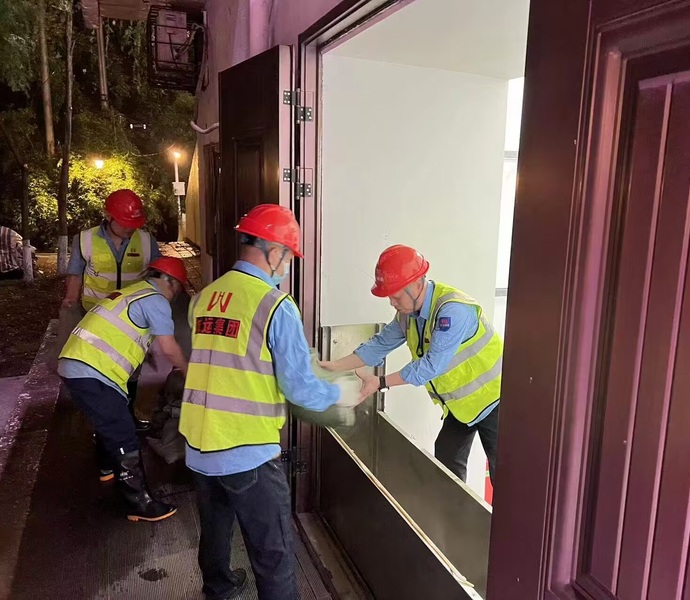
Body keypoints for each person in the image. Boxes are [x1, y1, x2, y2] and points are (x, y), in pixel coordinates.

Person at [179, 204, 360, 600]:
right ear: (274, 251)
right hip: (247, 450)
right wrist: (340, 393)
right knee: (273, 552)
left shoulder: (205, 297)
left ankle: (219, 589)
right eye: (288, 258)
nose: (287, 267)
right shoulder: (275, 305)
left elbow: (225, 361)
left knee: (215, 531)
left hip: (199, 445)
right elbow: (299, 389)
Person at [321, 244, 503, 484]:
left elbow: (430, 366)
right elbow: (379, 345)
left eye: (396, 296)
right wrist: (333, 367)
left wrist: (380, 382)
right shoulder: (408, 315)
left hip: (497, 401)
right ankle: (450, 508)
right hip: (462, 406)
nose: (392, 303)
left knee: (505, 475)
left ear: (417, 284)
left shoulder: (453, 311)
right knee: (447, 463)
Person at [58, 257, 190, 522]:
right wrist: (191, 374)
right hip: (92, 369)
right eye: (177, 289)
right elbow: (169, 347)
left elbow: (128, 335)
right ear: (170, 282)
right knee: (124, 434)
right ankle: (138, 503)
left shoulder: (132, 292)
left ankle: (106, 468)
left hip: (78, 364)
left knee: (110, 420)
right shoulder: (155, 300)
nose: (174, 296)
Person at [61, 189, 162, 433]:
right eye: (125, 222)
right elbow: (75, 273)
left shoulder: (146, 241)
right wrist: (70, 299)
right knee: (101, 369)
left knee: (133, 367)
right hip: (97, 319)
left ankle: (129, 414)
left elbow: (157, 275)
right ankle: (106, 422)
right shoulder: (85, 239)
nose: (130, 228)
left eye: (134, 223)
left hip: (134, 319)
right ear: (108, 216)